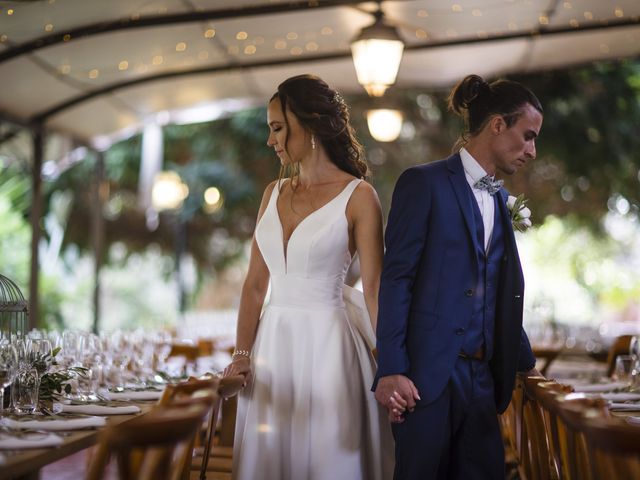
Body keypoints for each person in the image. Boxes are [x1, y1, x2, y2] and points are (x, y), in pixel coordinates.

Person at [223, 74, 394, 480]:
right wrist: (242, 356)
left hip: (329, 350)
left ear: (311, 124)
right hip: (271, 350)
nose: (271, 140)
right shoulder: (272, 192)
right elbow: (254, 286)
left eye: (278, 128)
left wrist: (393, 365)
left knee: (328, 458)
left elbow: (375, 291)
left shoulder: (359, 196)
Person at [374, 73, 543, 479]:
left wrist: (528, 365)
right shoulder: (424, 183)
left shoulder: (501, 199)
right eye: (528, 135)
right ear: (498, 125)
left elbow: (498, 290)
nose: (533, 151)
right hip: (425, 380)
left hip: (483, 382)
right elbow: (397, 280)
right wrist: (391, 368)